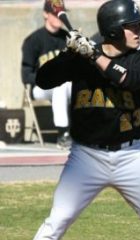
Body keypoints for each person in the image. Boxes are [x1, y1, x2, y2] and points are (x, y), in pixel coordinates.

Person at [26, 0, 140, 240]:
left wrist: (93, 55)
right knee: (57, 220)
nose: (138, 30)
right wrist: (70, 54)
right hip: (86, 157)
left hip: (131, 157)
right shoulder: (83, 58)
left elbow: (129, 80)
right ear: (113, 30)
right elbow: (43, 79)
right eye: (131, 26)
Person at [21, 0, 72, 149]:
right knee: (59, 85)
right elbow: (26, 75)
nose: (60, 18)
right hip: (40, 87)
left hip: (65, 85)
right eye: (56, 14)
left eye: (62, 14)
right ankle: (63, 133)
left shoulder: (68, 38)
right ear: (45, 14)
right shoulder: (33, 40)